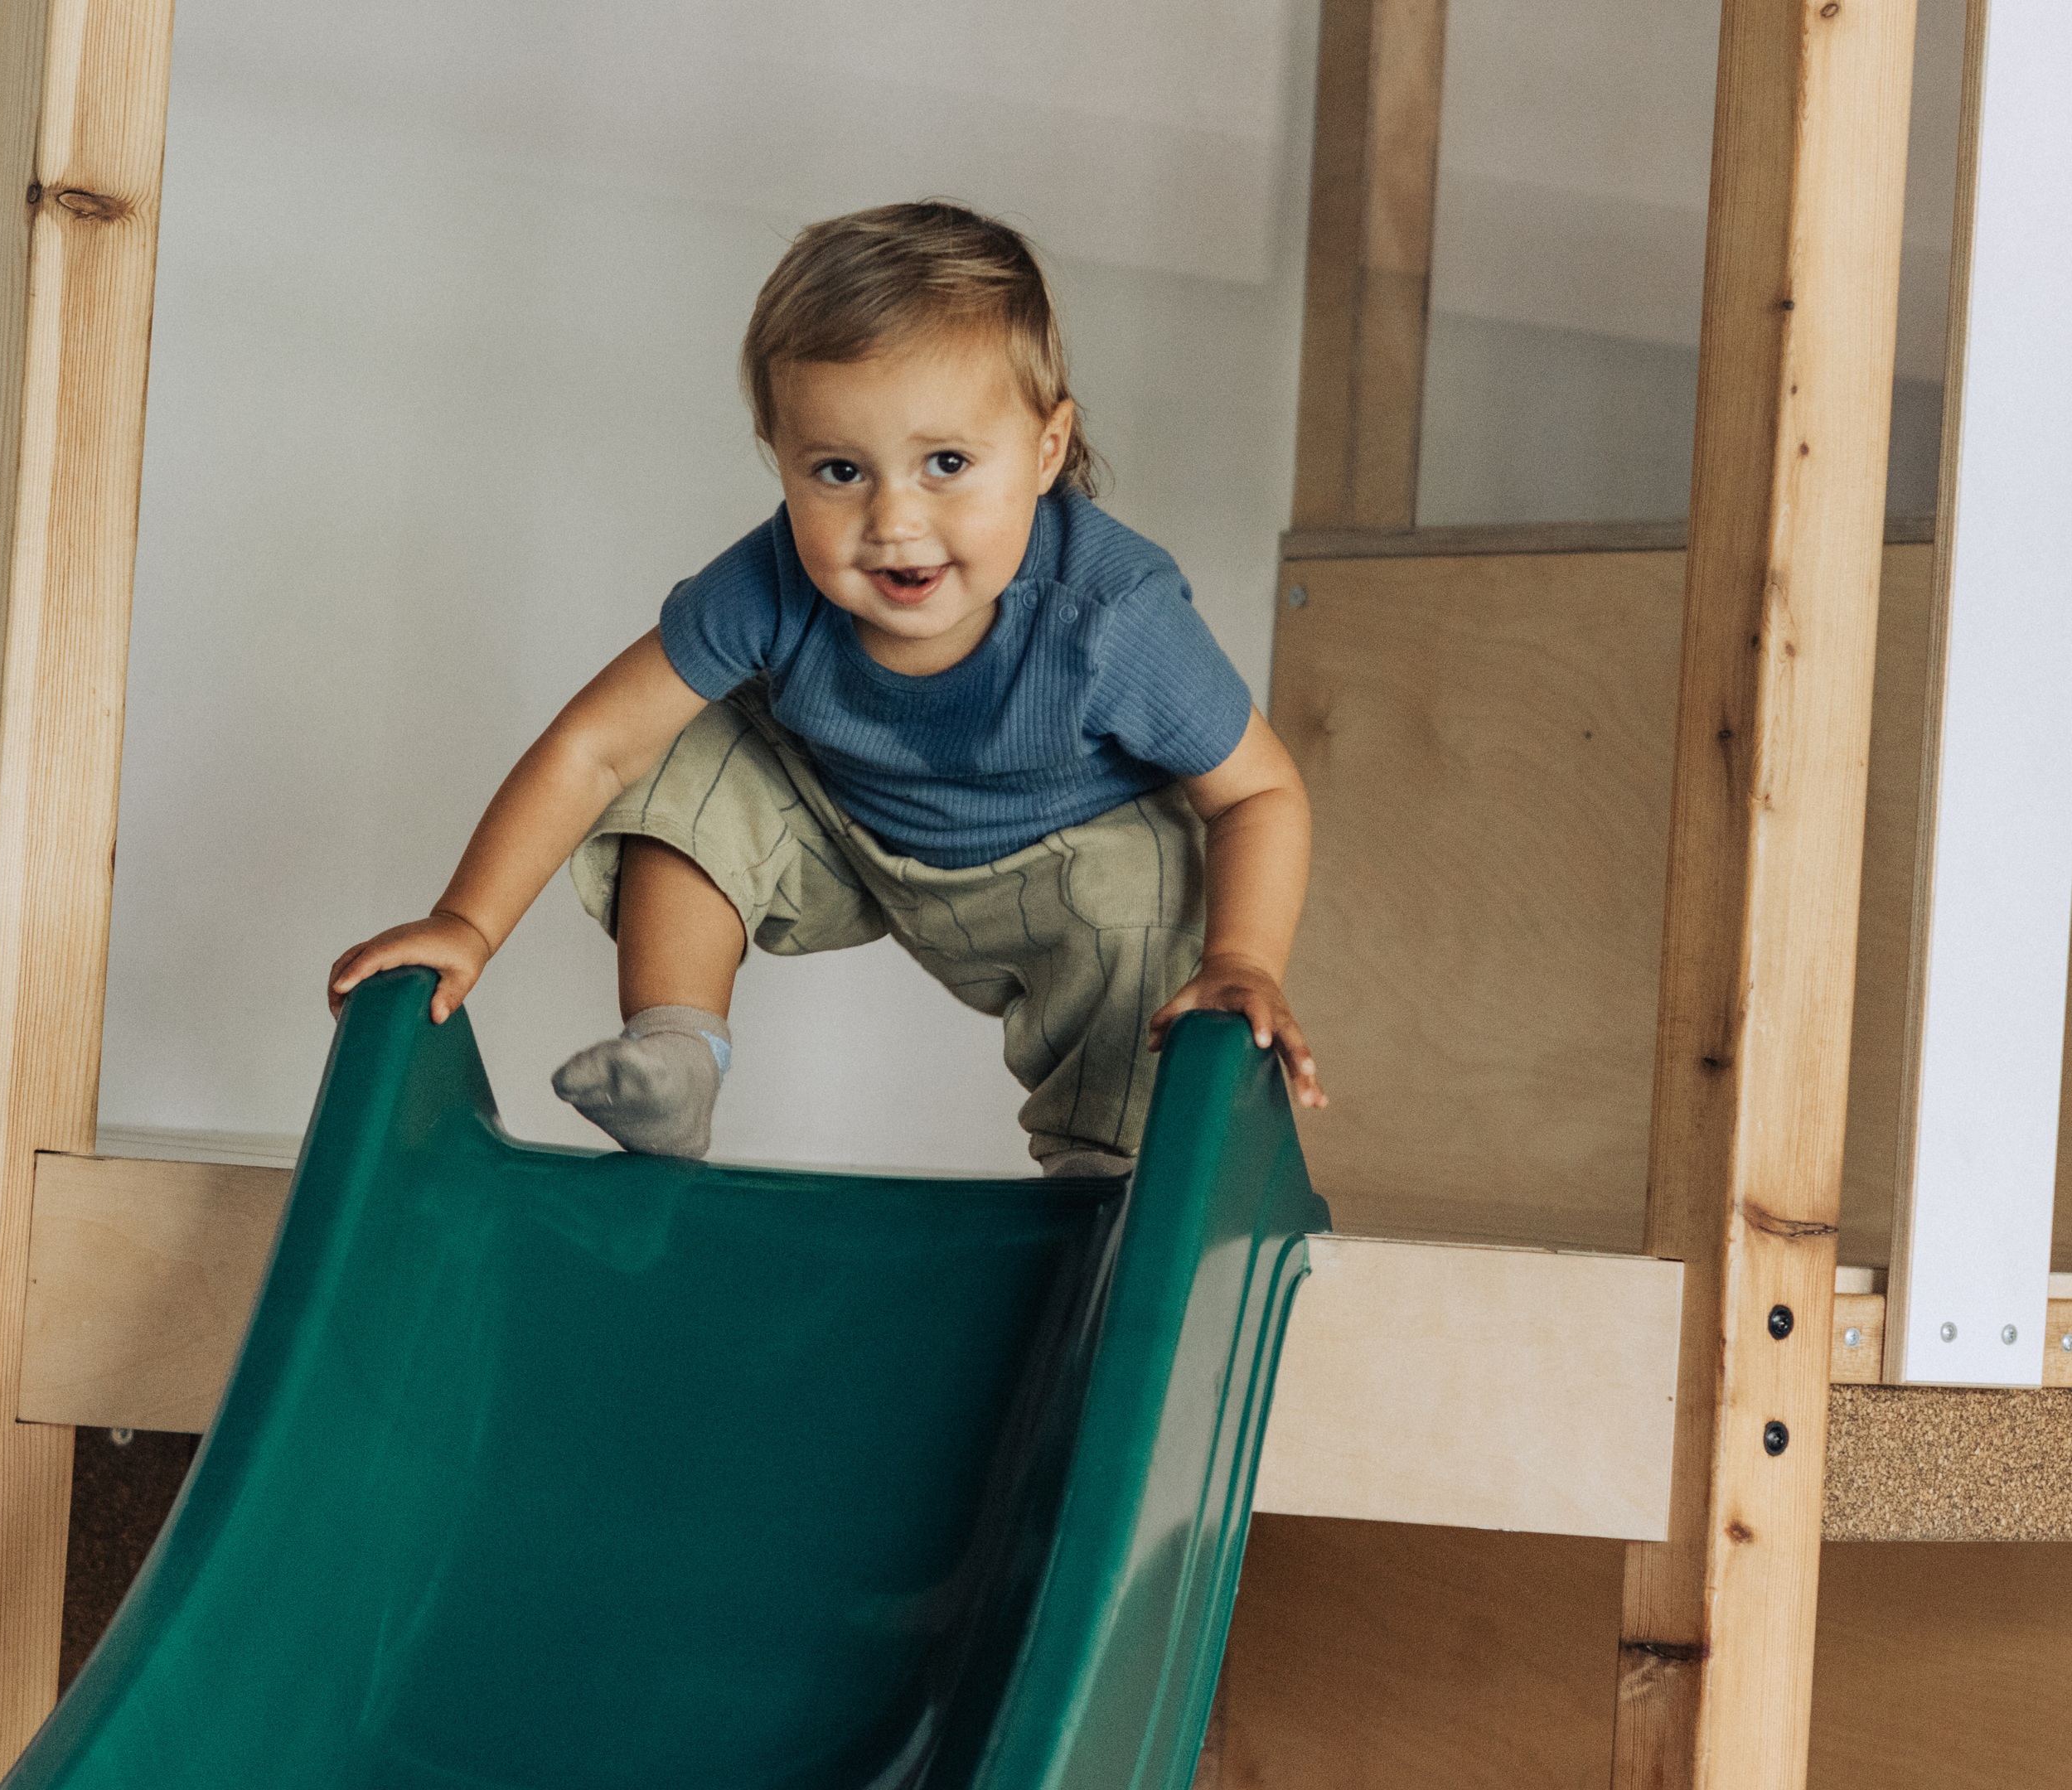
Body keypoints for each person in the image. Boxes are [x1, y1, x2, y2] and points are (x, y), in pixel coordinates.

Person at [328, 199, 1325, 1177]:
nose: (893, 520)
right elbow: (593, 748)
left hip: (1066, 862)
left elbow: (1258, 792)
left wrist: (1243, 960)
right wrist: (468, 922)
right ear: (780, 459)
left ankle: (1105, 1178)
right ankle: (678, 1053)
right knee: (684, 756)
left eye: (945, 463)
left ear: (1046, 450)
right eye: (840, 471)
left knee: (1145, 902)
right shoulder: (765, 582)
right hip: (846, 828)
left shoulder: (1112, 616)